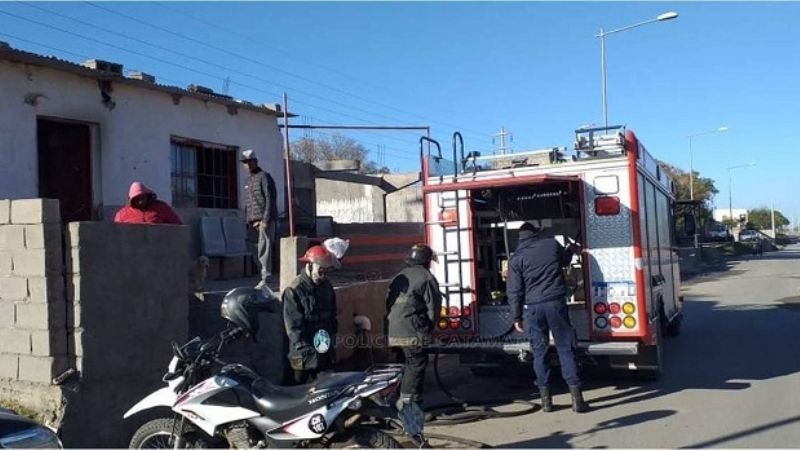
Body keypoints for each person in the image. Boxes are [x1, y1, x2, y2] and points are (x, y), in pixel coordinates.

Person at [507, 222, 588, 413]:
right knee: (565, 349)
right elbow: (565, 261)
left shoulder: (516, 259)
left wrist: (516, 316)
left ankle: (546, 402)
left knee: (539, 351)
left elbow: (514, 291)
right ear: (535, 233)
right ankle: (577, 400)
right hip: (556, 303)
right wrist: (570, 251)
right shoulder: (550, 244)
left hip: (533, 309)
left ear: (520, 237)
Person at [385, 244, 442, 415]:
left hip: (392, 332)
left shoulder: (399, 276)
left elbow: (389, 304)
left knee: (401, 367)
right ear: (426, 261)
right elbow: (434, 308)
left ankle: (393, 403)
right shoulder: (426, 277)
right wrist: (429, 328)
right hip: (413, 332)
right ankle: (409, 409)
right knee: (415, 367)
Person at [282, 245, 339, 385]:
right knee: (294, 387)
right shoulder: (294, 290)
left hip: (324, 346)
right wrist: (307, 350)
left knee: (327, 387)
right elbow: (294, 328)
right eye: (320, 271)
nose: (323, 275)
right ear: (309, 265)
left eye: (326, 271)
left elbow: (332, 315)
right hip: (301, 352)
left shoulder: (327, 286)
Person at [241, 149, 278, 290]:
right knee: (254, 249)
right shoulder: (248, 180)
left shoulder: (264, 177)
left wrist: (266, 219)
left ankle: (266, 278)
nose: (248, 165)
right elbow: (249, 203)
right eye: (245, 162)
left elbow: (270, 198)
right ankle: (262, 276)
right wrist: (248, 221)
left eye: (250, 162)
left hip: (264, 220)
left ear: (255, 161)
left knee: (265, 249)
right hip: (252, 222)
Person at [114, 181, 183, 225]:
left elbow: (178, 227)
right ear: (131, 200)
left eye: (142, 198)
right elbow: (117, 234)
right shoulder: (122, 215)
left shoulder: (161, 208)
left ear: (147, 196)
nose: (140, 202)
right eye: (137, 199)